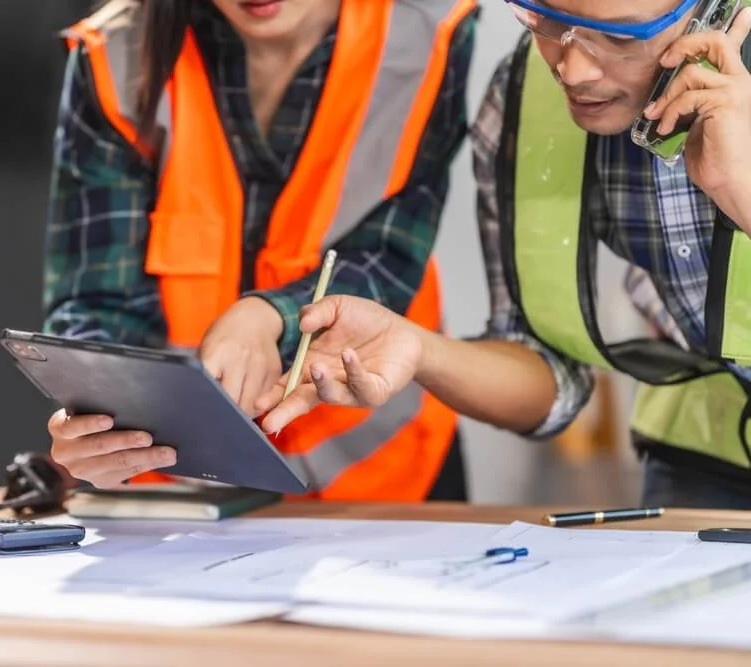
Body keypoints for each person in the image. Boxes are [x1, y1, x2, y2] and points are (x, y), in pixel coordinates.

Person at [260, 0, 751, 510]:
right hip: (709, 452)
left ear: (716, 11)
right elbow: (543, 368)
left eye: (623, 39)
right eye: (549, 22)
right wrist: (420, 350)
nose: (573, 70)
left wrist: (741, 192)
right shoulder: (523, 100)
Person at [39, 0, 479, 500]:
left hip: (382, 477)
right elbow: (97, 299)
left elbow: (387, 258)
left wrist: (271, 318)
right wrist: (95, 412)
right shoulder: (114, 55)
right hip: (181, 491)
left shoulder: (427, 35)